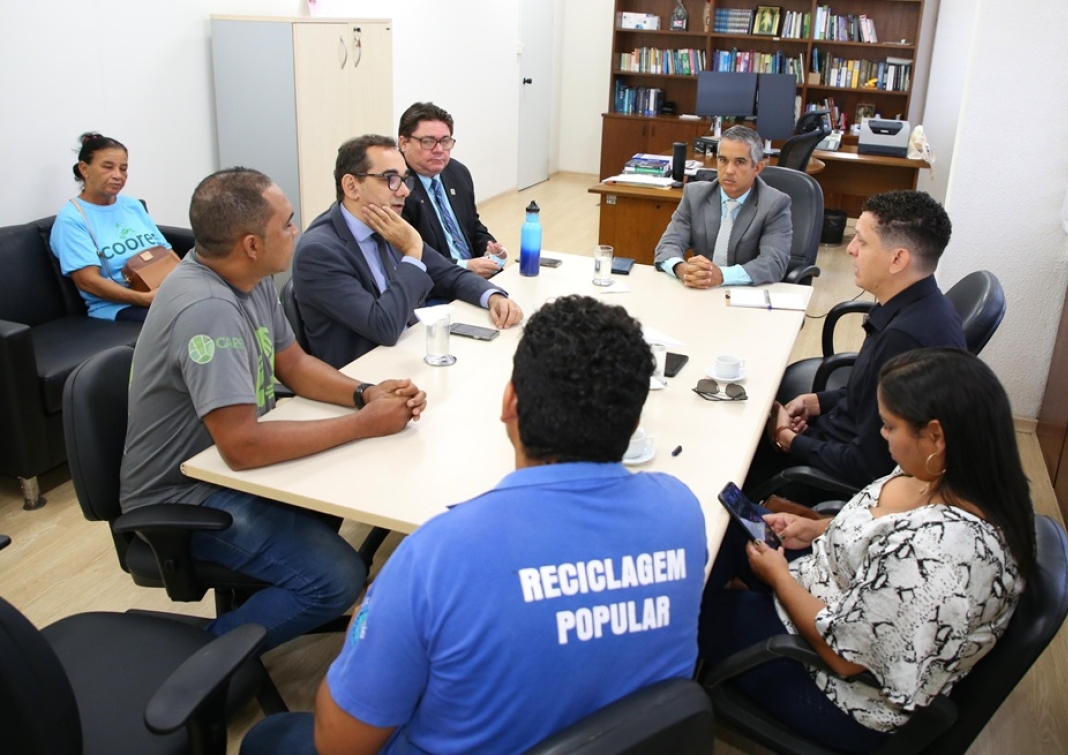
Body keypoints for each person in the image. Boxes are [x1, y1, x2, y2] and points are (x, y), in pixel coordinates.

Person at [240, 295, 708, 755]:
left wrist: (376, 618)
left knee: (269, 738)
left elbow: (339, 742)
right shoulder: (682, 513)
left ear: (510, 402)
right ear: (634, 420)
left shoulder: (436, 557)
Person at [120, 167, 427, 650]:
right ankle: (204, 664)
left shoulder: (249, 277)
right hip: (185, 495)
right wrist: (363, 424)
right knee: (337, 578)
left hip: (225, 470)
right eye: (286, 223)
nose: (296, 230)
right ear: (251, 244)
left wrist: (365, 393)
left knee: (342, 490)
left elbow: (296, 364)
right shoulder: (207, 308)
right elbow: (242, 447)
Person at [700, 348, 1037, 753]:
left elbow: (844, 657)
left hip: (837, 687)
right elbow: (881, 530)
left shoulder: (937, 556)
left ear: (935, 435)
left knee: (687, 610)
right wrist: (816, 528)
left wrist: (779, 577)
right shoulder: (946, 471)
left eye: (889, 427)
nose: (882, 435)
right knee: (721, 529)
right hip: (832, 589)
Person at [747, 189, 967, 495]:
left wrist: (787, 438)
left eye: (861, 241)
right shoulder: (915, 303)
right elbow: (866, 396)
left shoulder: (903, 340)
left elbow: (869, 465)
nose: (850, 249)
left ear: (898, 259)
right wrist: (817, 402)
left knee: (736, 454)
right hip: (836, 435)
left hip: (833, 476)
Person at [292, 134, 522, 369]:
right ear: (351, 186)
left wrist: (493, 297)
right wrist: (412, 250)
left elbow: (448, 273)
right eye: (391, 179)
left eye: (404, 180)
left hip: (410, 352)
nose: (404, 191)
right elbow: (383, 327)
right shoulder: (319, 252)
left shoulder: (387, 224)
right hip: (367, 376)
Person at [49, 132, 173, 322]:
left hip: (162, 290)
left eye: (123, 169)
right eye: (108, 167)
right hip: (119, 307)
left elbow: (166, 253)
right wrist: (144, 299)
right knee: (187, 318)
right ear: (84, 169)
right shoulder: (72, 219)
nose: (118, 175)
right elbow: (88, 281)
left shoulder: (132, 206)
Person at [654, 125, 792, 288]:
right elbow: (668, 245)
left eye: (739, 162)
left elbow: (774, 263)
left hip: (745, 297)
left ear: (757, 168)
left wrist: (722, 276)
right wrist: (682, 269)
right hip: (700, 292)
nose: (729, 170)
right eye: (723, 160)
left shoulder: (775, 204)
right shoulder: (695, 195)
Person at [398, 102, 508, 278]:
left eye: (445, 141)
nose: (439, 150)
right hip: (436, 284)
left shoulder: (458, 173)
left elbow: (472, 224)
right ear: (404, 143)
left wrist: (490, 250)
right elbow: (409, 254)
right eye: (428, 142)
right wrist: (464, 266)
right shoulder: (396, 187)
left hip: (474, 277)